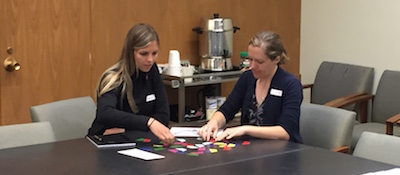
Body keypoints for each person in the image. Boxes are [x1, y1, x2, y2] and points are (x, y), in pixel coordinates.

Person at [198, 31, 303, 143]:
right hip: (250, 149)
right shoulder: (247, 78)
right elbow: (227, 109)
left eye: (259, 62)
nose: (252, 66)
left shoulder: (290, 84)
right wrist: (214, 122)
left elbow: (285, 132)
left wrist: (245, 129)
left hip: (283, 152)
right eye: (250, 59)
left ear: (276, 59)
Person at [88, 23, 175, 144]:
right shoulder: (113, 78)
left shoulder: (152, 70)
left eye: (154, 53)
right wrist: (148, 122)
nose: (150, 60)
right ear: (130, 52)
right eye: (143, 54)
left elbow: (163, 116)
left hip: (133, 138)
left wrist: (126, 129)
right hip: (104, 142)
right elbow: (105, 113)